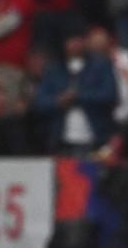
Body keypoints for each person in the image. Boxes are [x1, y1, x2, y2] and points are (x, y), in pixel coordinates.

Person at [31, 21, 119, 155]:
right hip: (61, 140)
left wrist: (78, 96)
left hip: (96, 138)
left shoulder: (101, 66)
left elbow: (109, 94)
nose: (76, 44)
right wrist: (58, 101)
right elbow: (39, 101)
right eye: (72, 40)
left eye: (80, 40)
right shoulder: (54, 70)